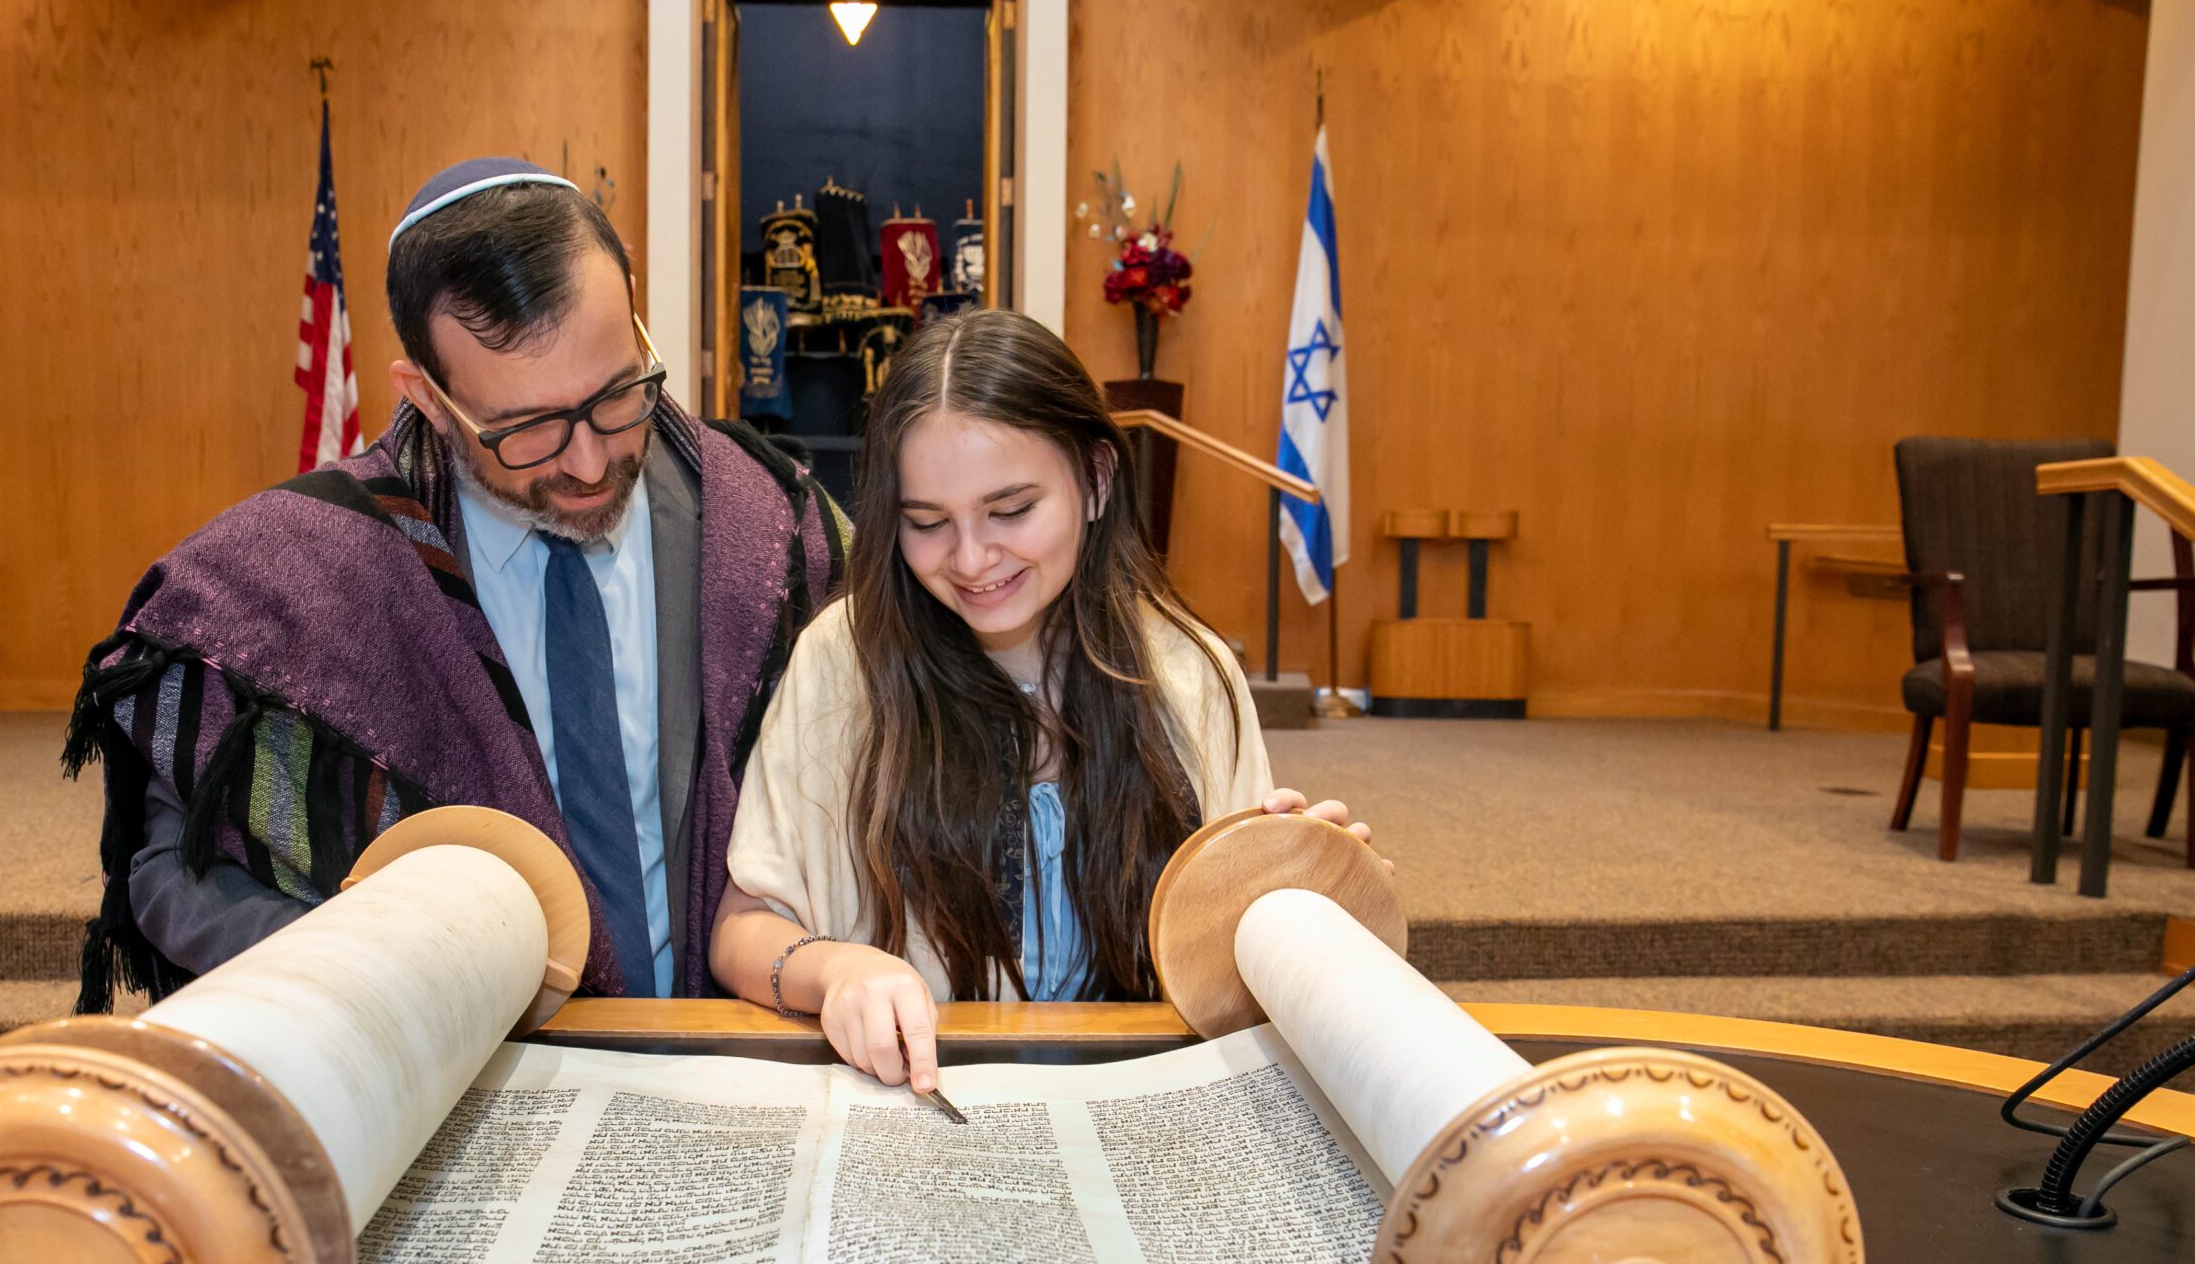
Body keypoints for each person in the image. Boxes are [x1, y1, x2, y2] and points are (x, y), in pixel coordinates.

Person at [67, 157, 847, 1009]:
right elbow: (177, 872)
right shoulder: (290, 582)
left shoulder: (771, 527)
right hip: (454, 1081)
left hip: (729, 1052)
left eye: (619, 394)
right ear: (429, 399)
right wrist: (402, 979)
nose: (589, 462)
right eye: (525, 430)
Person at [710, 309, 1380, 1093]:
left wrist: (1299, 901)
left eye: (1011, 511)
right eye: (927, 523)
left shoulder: (1187, 673)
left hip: (1139, 1112)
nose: (970, 559)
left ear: (1096, 479)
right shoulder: (844, 664)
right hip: (914, 1109)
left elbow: (1227, 961)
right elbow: (739, 932)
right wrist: (834, 969)